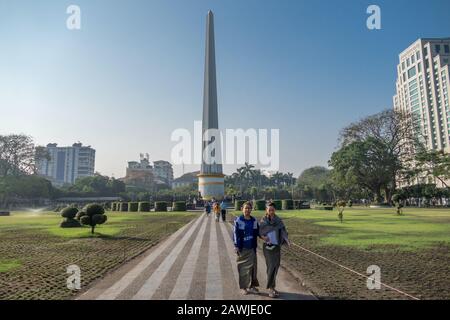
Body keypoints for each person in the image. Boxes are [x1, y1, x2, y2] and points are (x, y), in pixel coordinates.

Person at [259, 202, 290, 298]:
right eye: (269, 210)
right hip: (268, 247)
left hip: (276, 247)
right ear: (266, 210)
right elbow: (260, 233)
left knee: (276, 267)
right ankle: (270, 289)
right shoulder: (263, 221)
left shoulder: (278, 220)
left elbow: (283, 231)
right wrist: (263, 237)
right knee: (271, 267)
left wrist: (287, 240)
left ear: (274, 210)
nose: (271, 211)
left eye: (273, 210)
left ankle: (272, 286)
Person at [233, 202, 260, 295]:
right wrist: (236, 246)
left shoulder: (254, 220)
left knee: (253, 268)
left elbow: (257, 232)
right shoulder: (238, 220)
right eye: (246, 208)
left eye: (249, 208)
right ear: (242, 209)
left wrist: (264, 237)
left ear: (251, 209)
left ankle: (252, 286)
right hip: (242, 249)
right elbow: (235, 234)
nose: (247, 210)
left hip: (252, 248)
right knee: (243, 269)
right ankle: (244, 287)